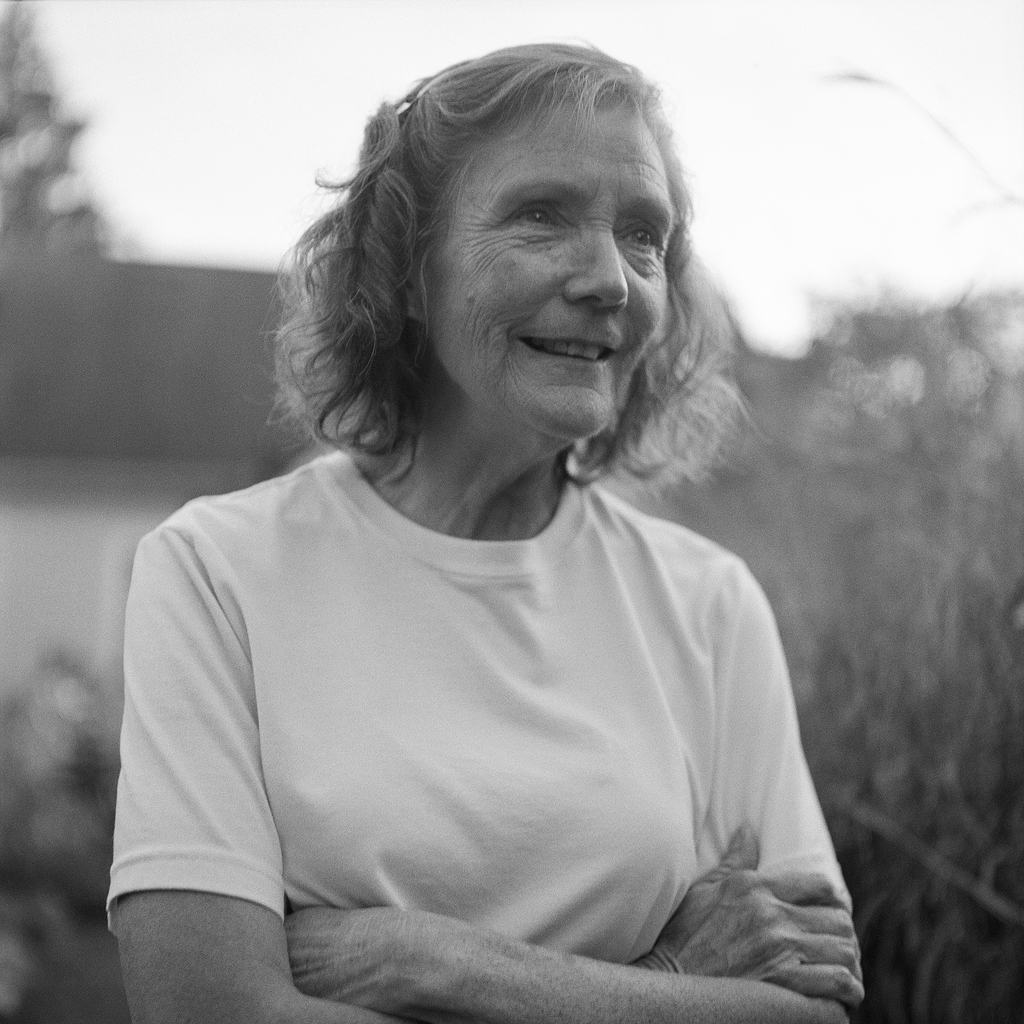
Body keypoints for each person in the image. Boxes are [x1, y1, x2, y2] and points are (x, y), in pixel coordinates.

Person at [108, 43, 863, 1024]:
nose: (610, 278)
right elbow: (204, 1008)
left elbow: (810, 1009)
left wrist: (439, 966)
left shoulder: (709, 603)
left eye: (643, 235)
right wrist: (670, 981)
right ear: (404, 272)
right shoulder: (218, 571)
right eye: (542, 214)